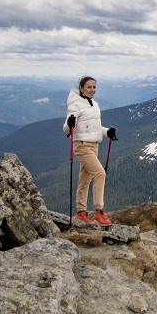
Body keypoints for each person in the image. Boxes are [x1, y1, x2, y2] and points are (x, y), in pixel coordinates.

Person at [63, 75, 116, 227]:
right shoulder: (75, 104)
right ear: (81, 88)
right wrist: (69, 123)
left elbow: (94, 128)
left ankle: (81, 213)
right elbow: (67, 128)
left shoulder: (93, 104)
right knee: (100, 173)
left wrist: (107, 133)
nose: (92, 90)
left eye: (94, 87)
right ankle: (99, 211)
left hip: (93, 145)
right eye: (89, 87)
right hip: (82, 145)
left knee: (84, 180)